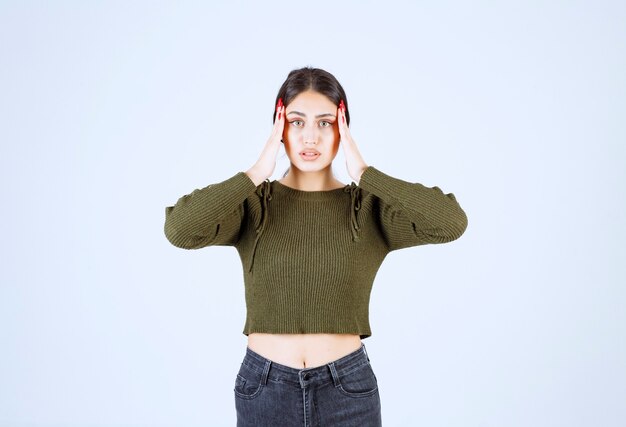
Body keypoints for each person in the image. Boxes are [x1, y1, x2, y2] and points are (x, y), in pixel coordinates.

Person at [163, 66, 468, 426]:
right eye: (296, 122)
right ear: (278, 128)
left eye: (325, 122)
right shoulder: (253, 204)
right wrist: (256, 172)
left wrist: (366, 173)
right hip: (264, 390)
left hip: (347, 390)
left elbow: (450, 222)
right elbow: (180, 229)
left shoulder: (367, 208)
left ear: (344, 129)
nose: (311, 137)